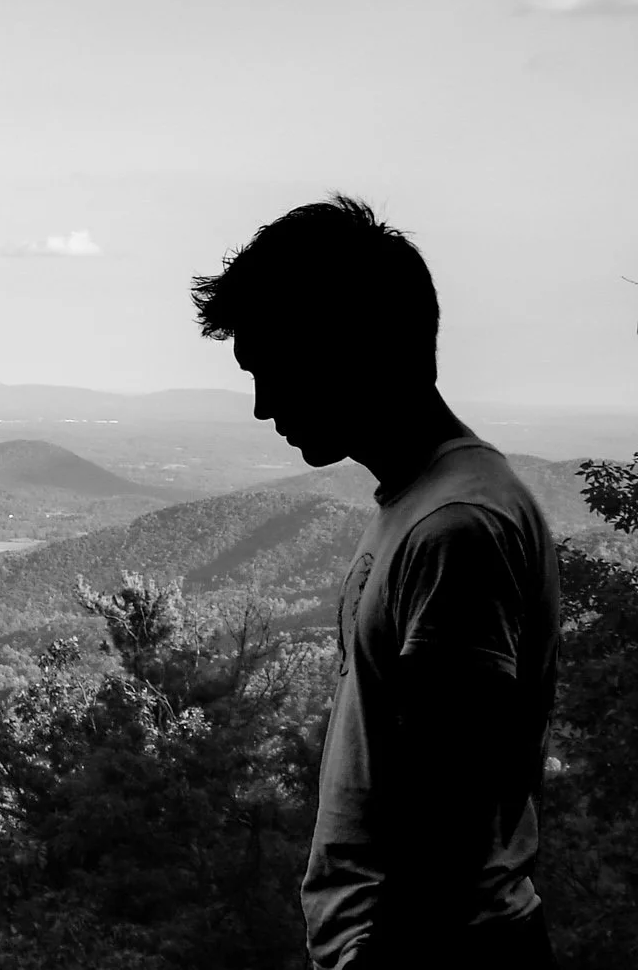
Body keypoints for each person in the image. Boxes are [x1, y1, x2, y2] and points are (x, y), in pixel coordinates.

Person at [190, 194, 561, 970]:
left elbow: (446, 831)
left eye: (276, 371)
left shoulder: (453, 528)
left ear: (350, 349)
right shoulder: (427, 501)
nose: (263, 407)